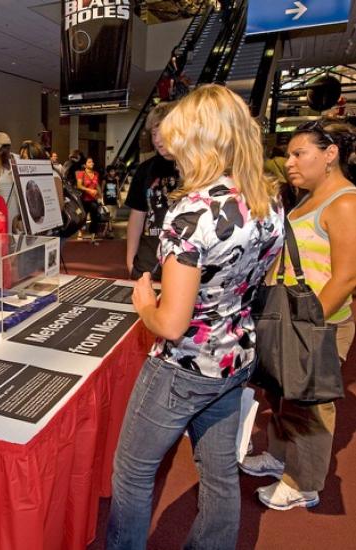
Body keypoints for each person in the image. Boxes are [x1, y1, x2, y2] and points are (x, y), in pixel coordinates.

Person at [107, 85, 284, 550]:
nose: (175, 151)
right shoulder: (268, 199)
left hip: (183, 366)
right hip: (235, 356)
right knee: (221, 473)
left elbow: (170, 324)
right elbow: (254, 280)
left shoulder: (191, 212)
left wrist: (145, 300)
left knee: (132, 473)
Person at [240, 120, 356, 511]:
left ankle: (304, 481)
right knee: (283, 392)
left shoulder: (345, 202)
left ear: (330, 154)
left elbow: (346, 277)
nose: (289, 162)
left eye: (298, 153)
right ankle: (278, 456)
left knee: (309, 403)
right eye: (288, 154)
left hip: (320, 323)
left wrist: (308, 324)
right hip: (290, 317)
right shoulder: (307, 198)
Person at [125, 101, 180, 280]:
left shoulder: (195, 170)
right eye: (154, 134)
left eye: (162, 132)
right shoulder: (145, 169)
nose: (156, 140)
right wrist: (130, 261)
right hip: (147, 264)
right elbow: (137, 214)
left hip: (184, 265)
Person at [0, 131, 19, 232]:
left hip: (18, 207)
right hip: (0, 209)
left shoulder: (18, 161)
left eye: (0, 151)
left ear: (7, 148)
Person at [76, 156, 105, 238]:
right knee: (82, 217)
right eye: (89, 162)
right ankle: (80, 231)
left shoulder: (96, 173)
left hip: (93, 199)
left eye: (92, 162)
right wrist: (89, 190)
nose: (92, 163)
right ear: (85, 165)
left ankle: (93, 233)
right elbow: (79, 186)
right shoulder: (81, 173)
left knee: (95, 216)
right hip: (83, 199)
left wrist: (101, 195)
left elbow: (97, 186)